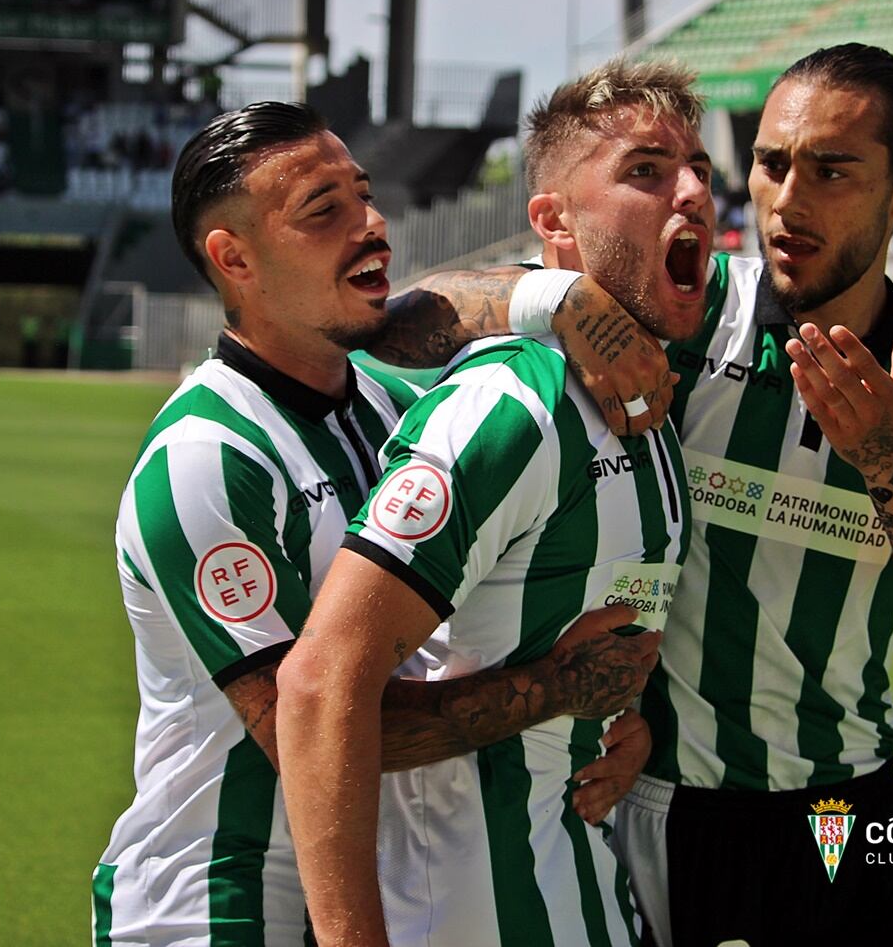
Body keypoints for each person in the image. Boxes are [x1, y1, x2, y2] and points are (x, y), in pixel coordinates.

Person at [92, 101, 670, 946]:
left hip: (368, 889)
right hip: (217, 905)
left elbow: (428, 309)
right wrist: (559, 692)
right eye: (322, 211)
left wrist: (561, 297)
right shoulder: (205, 461)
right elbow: (315, 724)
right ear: (234, 258)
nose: (370, 224)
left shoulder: (386, 401)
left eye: (362, 195)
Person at [275, 60, 714, 947]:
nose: (695, 191)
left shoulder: (645, 397)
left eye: (700, 168)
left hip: (586, 893)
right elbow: (320, 687)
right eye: (646, 171)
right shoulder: (512, 405)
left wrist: (618, 725)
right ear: (553, 222)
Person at [606, 43, 893, 947]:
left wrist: (889, 459)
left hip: (848, 803)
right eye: (771, 164)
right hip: (665, 804)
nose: (788, 200)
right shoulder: (687, 310)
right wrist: (554, 305)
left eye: (832, 170)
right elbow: (424, 314)